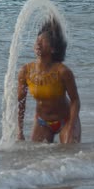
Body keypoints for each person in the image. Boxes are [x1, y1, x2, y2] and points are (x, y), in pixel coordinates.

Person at [17, 16, 81, 144]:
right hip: (42, 122)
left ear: (53, 49)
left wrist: (71, 126)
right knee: (37, 158)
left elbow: (75, 100)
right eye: (37, 40)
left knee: (70, 155)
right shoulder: (25, 71)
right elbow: (21, 102)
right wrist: (20, 131)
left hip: (66, 120)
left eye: (43, 41)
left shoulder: (63, 72)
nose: (38, 44)